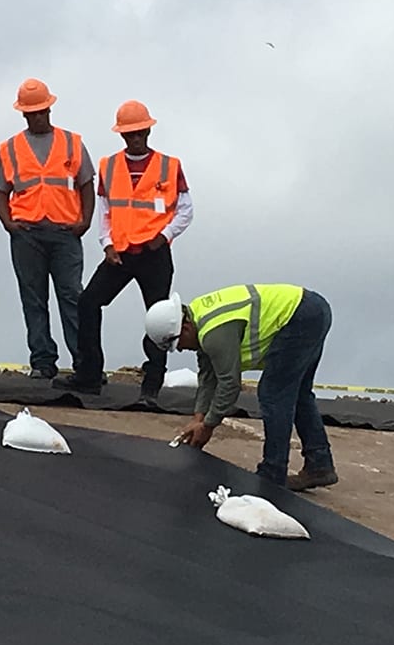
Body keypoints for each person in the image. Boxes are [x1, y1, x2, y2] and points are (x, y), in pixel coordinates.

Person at [55, 100, 192, 399]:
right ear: (122, 135)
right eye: (130, 134)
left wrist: (164, 236)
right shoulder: (109, 166)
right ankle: (89, 375)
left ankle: (151, 386)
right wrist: (107, 244)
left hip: (154, 253)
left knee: (159, 316)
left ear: (148, 131)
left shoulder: (169, 166)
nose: (135, 138)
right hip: (120, 252)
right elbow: (105, 211)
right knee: (88, 302)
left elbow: (185, 209)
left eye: (140, 132)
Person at [144, 284, 338, 491]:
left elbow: (230, 384)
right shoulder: (199, 319)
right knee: (298, 393)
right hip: (311, 309)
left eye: (177, 343)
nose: (181, 350)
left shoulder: (214, 334)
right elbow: (208, 378)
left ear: (185, 328)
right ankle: (319, 465)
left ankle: (273, 474)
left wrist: (208, 426)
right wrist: (197, 419)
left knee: (273, 393)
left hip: (300, 317)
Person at [0, 78, 95, 380]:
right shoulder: (11, 148)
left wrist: (85, 221)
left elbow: (87, 184)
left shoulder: (72, 143)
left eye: (40, 112)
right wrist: (9, 224)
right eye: (31, 113)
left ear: (49, 109)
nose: (36, 117)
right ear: (23, 114)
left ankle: (84, 362)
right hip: (27, 234)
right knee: (33, 299)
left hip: (65, 234)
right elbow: (1, 191)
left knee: (72, 296)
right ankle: (42, 360)